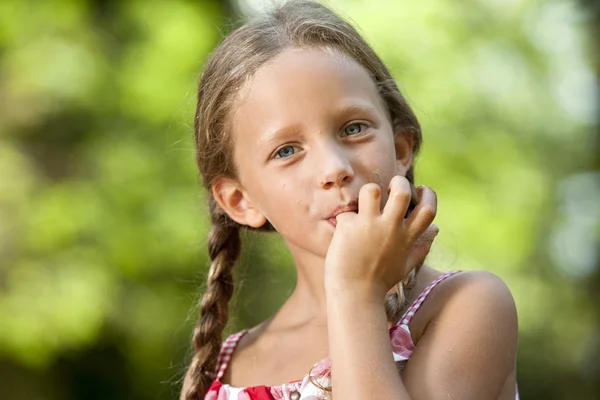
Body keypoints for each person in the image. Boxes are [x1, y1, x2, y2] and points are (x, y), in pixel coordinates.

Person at [180, 1, 519, 399]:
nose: (333, 168)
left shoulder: (466, 307)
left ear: (400, 148)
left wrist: (356, 294)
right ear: (241, 201)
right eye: (287, 151)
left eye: (353, 128)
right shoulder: (226, 364)